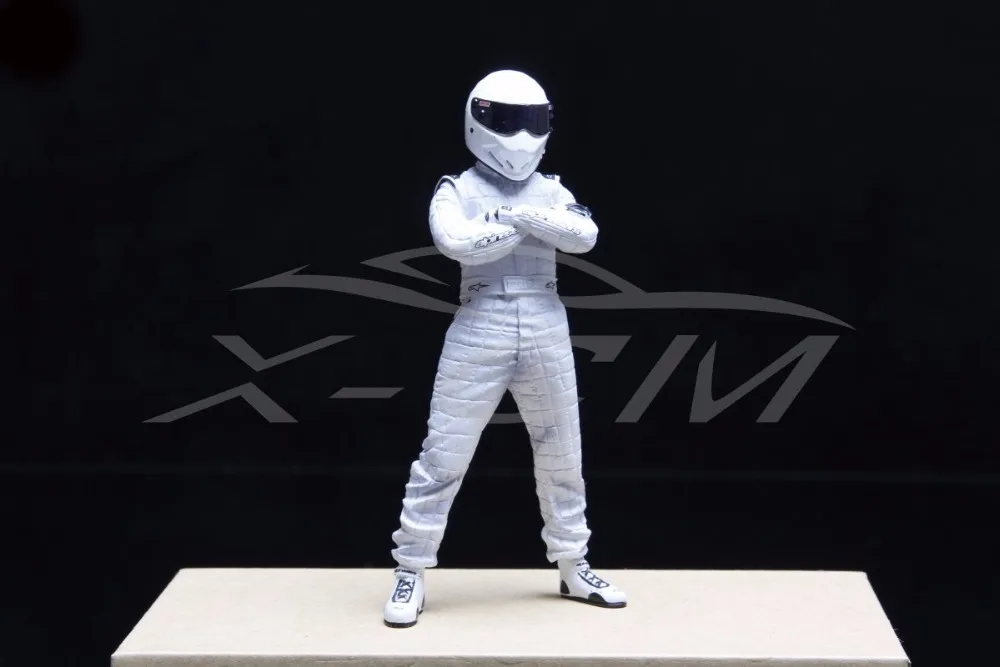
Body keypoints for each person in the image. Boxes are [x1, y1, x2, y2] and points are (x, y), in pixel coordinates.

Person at [383, 69, 626, 628]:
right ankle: (410, 568)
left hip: (545, 321)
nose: (520, 135)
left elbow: (585, 236)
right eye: (509, 121)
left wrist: (515, 216)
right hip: (480, 322)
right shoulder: (456, 188)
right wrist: (535, 224)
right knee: (444, 455)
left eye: (532, 123)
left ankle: (574, 563)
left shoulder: (552, 189)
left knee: (562, 454)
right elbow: (457, 241)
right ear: (479, 120)